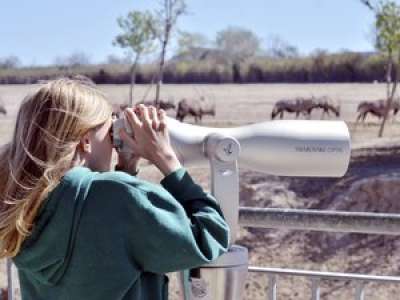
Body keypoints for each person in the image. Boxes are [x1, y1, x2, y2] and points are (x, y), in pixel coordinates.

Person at [0, 79, 229, 300]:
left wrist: (126, 170)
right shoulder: (118, 195)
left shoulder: (23, 198)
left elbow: (101, 243)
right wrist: (168, 161)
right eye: (110, 130)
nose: (114, 140)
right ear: (85, 141)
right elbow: (209, 237)